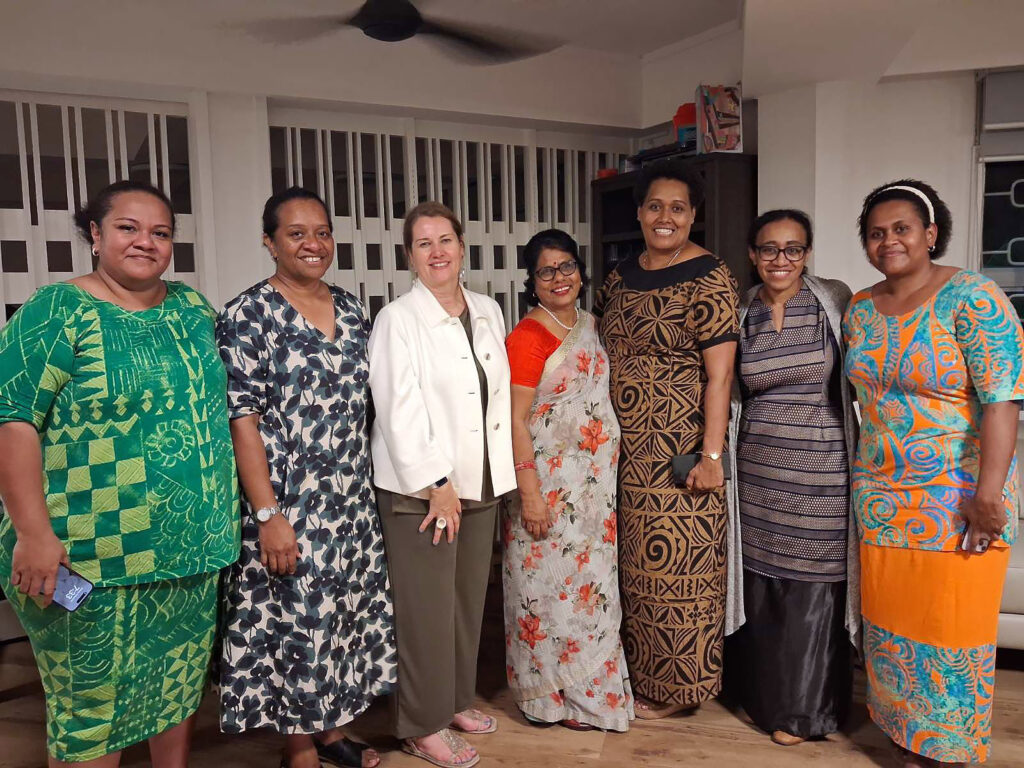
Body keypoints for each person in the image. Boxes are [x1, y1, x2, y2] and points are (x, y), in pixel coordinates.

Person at [0, 180, 239, 767]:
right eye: (128, 228)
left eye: (160, 232)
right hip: (90, 553)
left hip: (191, 551)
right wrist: (33, 533)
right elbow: (12, 419)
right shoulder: (57, 311)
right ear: (95, 234)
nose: (145, 242)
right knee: (92, 710)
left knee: (176, 685)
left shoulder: (192, 309)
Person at [844, 179, 1024, 767]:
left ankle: (947, 749)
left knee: (950, 629)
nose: (888, 241)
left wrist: (988, 496)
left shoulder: (972, 297)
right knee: (893, 626)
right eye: (876, 233)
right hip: (881, 497)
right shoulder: (860, 308)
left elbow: (1003, 400)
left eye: (901, 228)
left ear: (931, 233)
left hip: (957, 498)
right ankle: (905, 737)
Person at [217, 187, 396, 768]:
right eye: (296, 233)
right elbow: (242, 422)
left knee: (337, 619)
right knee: (293, 622)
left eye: (321, 232)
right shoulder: (247, 314)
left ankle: (331, 731)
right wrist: (268, 515)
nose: (312, 243)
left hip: (350, 497)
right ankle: (298, 747)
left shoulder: (352, 309)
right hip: (287, 500)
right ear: (269, 242)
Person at [368, 201, 516, 768]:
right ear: (410, 255)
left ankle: (452, 702)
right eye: (424, 243)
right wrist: (436, 481)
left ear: (461, 246)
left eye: (445, 240)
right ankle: (419, 724)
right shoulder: (397, 319)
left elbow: (493, 398)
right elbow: (396, 407)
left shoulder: (486, 310)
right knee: (426, 611)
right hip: (422, 492)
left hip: (480, 481)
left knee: (464, 604)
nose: (437, 252)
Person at [594, 159, 739, 718]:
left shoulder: (710, 275)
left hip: (680, 449)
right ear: (639, 212)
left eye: (678, 208)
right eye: (655, 206)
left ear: (693, 215)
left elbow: (720, 377)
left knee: (680, 569)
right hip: (624, 451)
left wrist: (711, 455)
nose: (665, 217)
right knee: (635, 571)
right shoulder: (619, 276)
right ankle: (641, 675)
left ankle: (681, 688)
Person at [723, 209, 859, 746]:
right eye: (769, 249)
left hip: (825, 472)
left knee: (814, 587)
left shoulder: (835, 300)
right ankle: (761, 698)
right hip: (757, 472)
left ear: (807, 254)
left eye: (793, 249)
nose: (781, 259)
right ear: (752, 255)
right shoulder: (741, 310)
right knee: (762, 585)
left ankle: (805, 712)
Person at [502, 229, 634, 732]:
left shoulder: (591, 325)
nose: (558, 277)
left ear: (580, 271)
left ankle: (590, 695)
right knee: (545, 593)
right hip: (545, 490)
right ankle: (547, 699)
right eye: (546, 271)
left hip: (594, 494)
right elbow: (515, 421)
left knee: (590, 590)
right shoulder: (528, 336)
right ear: (532, 281)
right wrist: (530, 494)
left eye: (567, 266)